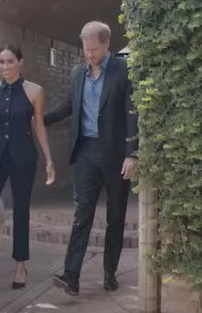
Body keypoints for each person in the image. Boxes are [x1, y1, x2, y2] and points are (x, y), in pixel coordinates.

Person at [44, 21, 139, 296]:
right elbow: (69, 105)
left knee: (116, 216)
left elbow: (132, 113)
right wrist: (40, 118)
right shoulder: (77, 73)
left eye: (94, 49)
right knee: (81, 214)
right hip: (85, 152)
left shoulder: (124, 71)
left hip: (115, 155)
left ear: (107, 45)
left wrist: (132, 153)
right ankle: (71, 275)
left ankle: (110, 272)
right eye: (86, 49)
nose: (89, 55)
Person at [0, 45, 55, 292]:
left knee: (21, 211)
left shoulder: (34, 91)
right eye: (1, 62)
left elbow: (39, 126)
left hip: (23, 157)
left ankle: (20, 266)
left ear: (20, 62)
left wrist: (49, 159)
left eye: (10, 61)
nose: (5, 67)